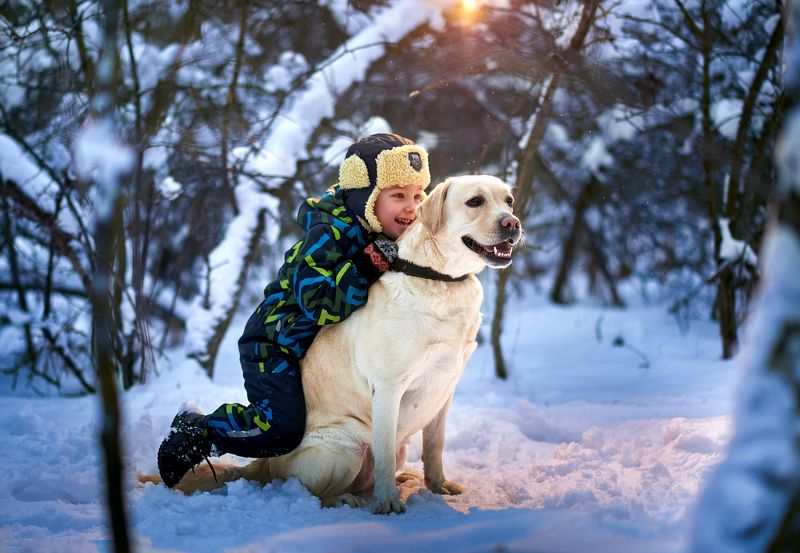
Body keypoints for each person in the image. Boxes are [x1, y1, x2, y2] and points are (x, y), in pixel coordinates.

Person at [157, 133, 431, 488]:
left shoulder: (382, 237)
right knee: (281, 430)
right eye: (397, 196)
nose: (412, 207)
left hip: (322, 358)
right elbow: (318, 303)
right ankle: (199, 431)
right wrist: (366, 266)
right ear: (365, 198)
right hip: (276, 346)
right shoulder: (328, 234)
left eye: (417, 195)